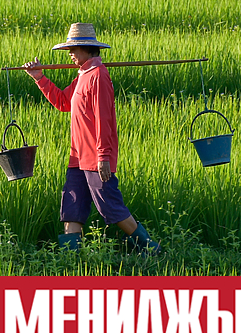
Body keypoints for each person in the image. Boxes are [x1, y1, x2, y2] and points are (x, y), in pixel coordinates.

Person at [21, 23, 159, 254]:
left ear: (87, 48)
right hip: (77, 157)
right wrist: (39, 78)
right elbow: (63, 103)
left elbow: (104, 118)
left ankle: (150, 248)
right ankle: (69, 259)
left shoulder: (98, 76)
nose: (70, 54)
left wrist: (103, 157)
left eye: (73, 50)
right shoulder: (82, 75)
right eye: (69, 50)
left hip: (95, 158)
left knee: (110, 207)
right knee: (72, 207)